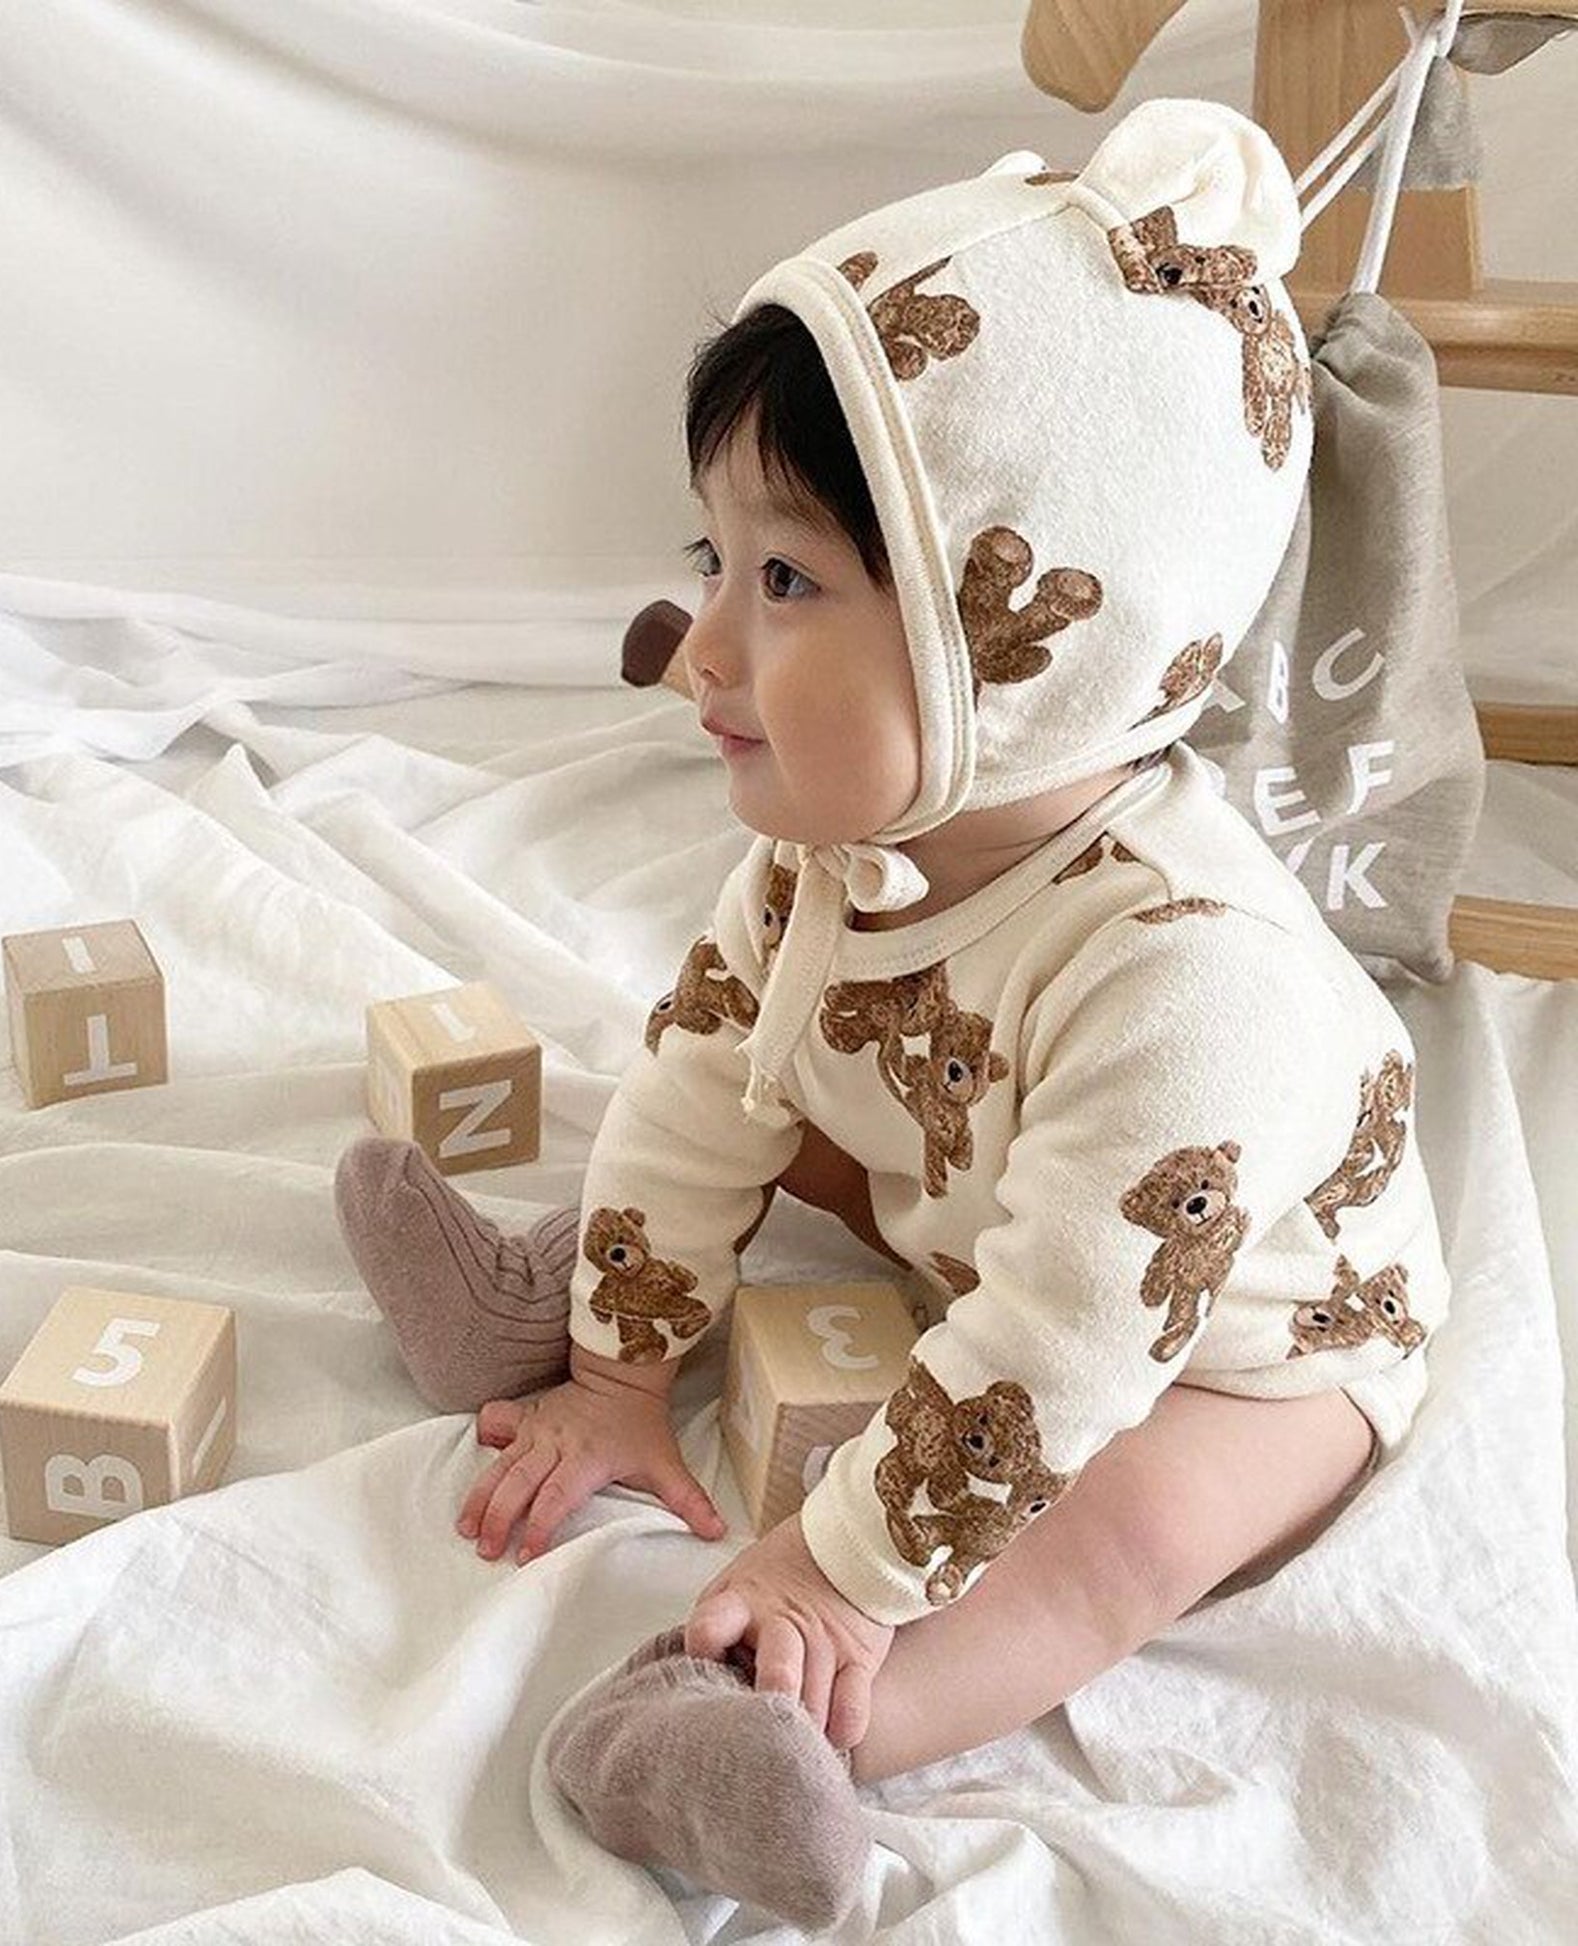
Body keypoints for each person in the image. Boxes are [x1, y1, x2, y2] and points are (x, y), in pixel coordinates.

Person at [335, 96, 1450, 1934]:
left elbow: (1051, 1356)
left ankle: (746, 1722)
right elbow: (703, 1080)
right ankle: (549, 1300)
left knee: (1120, 1536)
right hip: (996, 1182)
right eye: (711, 562)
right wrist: (617, 1371)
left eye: (782, 582)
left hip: (1240, 1333)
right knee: (762, 1096)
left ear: (1023, 644)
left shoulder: (1193, 989)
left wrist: (837, 1569)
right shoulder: (837, 848)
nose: (702, 649)